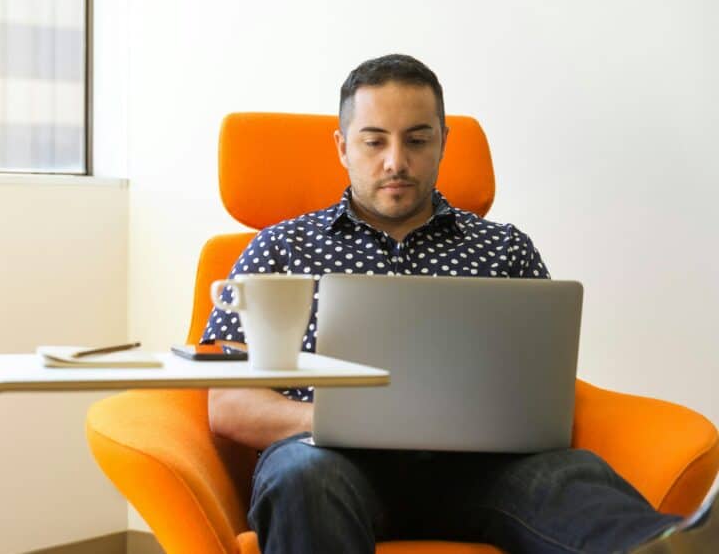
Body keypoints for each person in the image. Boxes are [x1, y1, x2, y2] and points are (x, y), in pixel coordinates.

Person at [200, 54, 717, 554]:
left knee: (568, 477)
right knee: (300, 478)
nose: (396, 162)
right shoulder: (279, 248)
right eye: (374, 140)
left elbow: (545, 388)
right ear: (342, 146)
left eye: (418, 139)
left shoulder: (505, 248)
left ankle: (668, 547)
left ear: (443, 142)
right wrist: (337, 419)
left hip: (485, 471)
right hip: (328, 460)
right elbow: (227, 403)